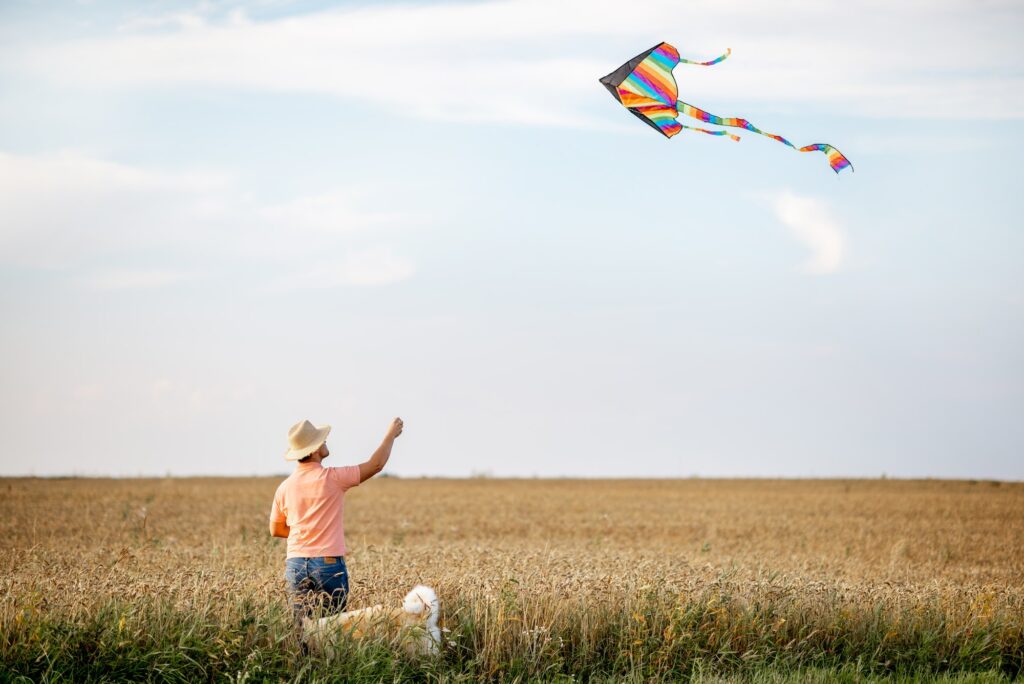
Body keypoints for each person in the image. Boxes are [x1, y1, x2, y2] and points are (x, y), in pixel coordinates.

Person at [269, 416, 404, 629]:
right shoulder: (332, 478)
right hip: (328, 564)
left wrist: (305, 532)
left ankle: (304, 663)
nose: (325, 443)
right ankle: (332, 664)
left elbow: (276, 529)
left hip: (295, 564)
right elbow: (376, 465)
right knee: (333, 630)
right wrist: (391, 435)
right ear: (314, 450)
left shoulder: (284, 487)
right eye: (321, 441)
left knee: (302, 630)